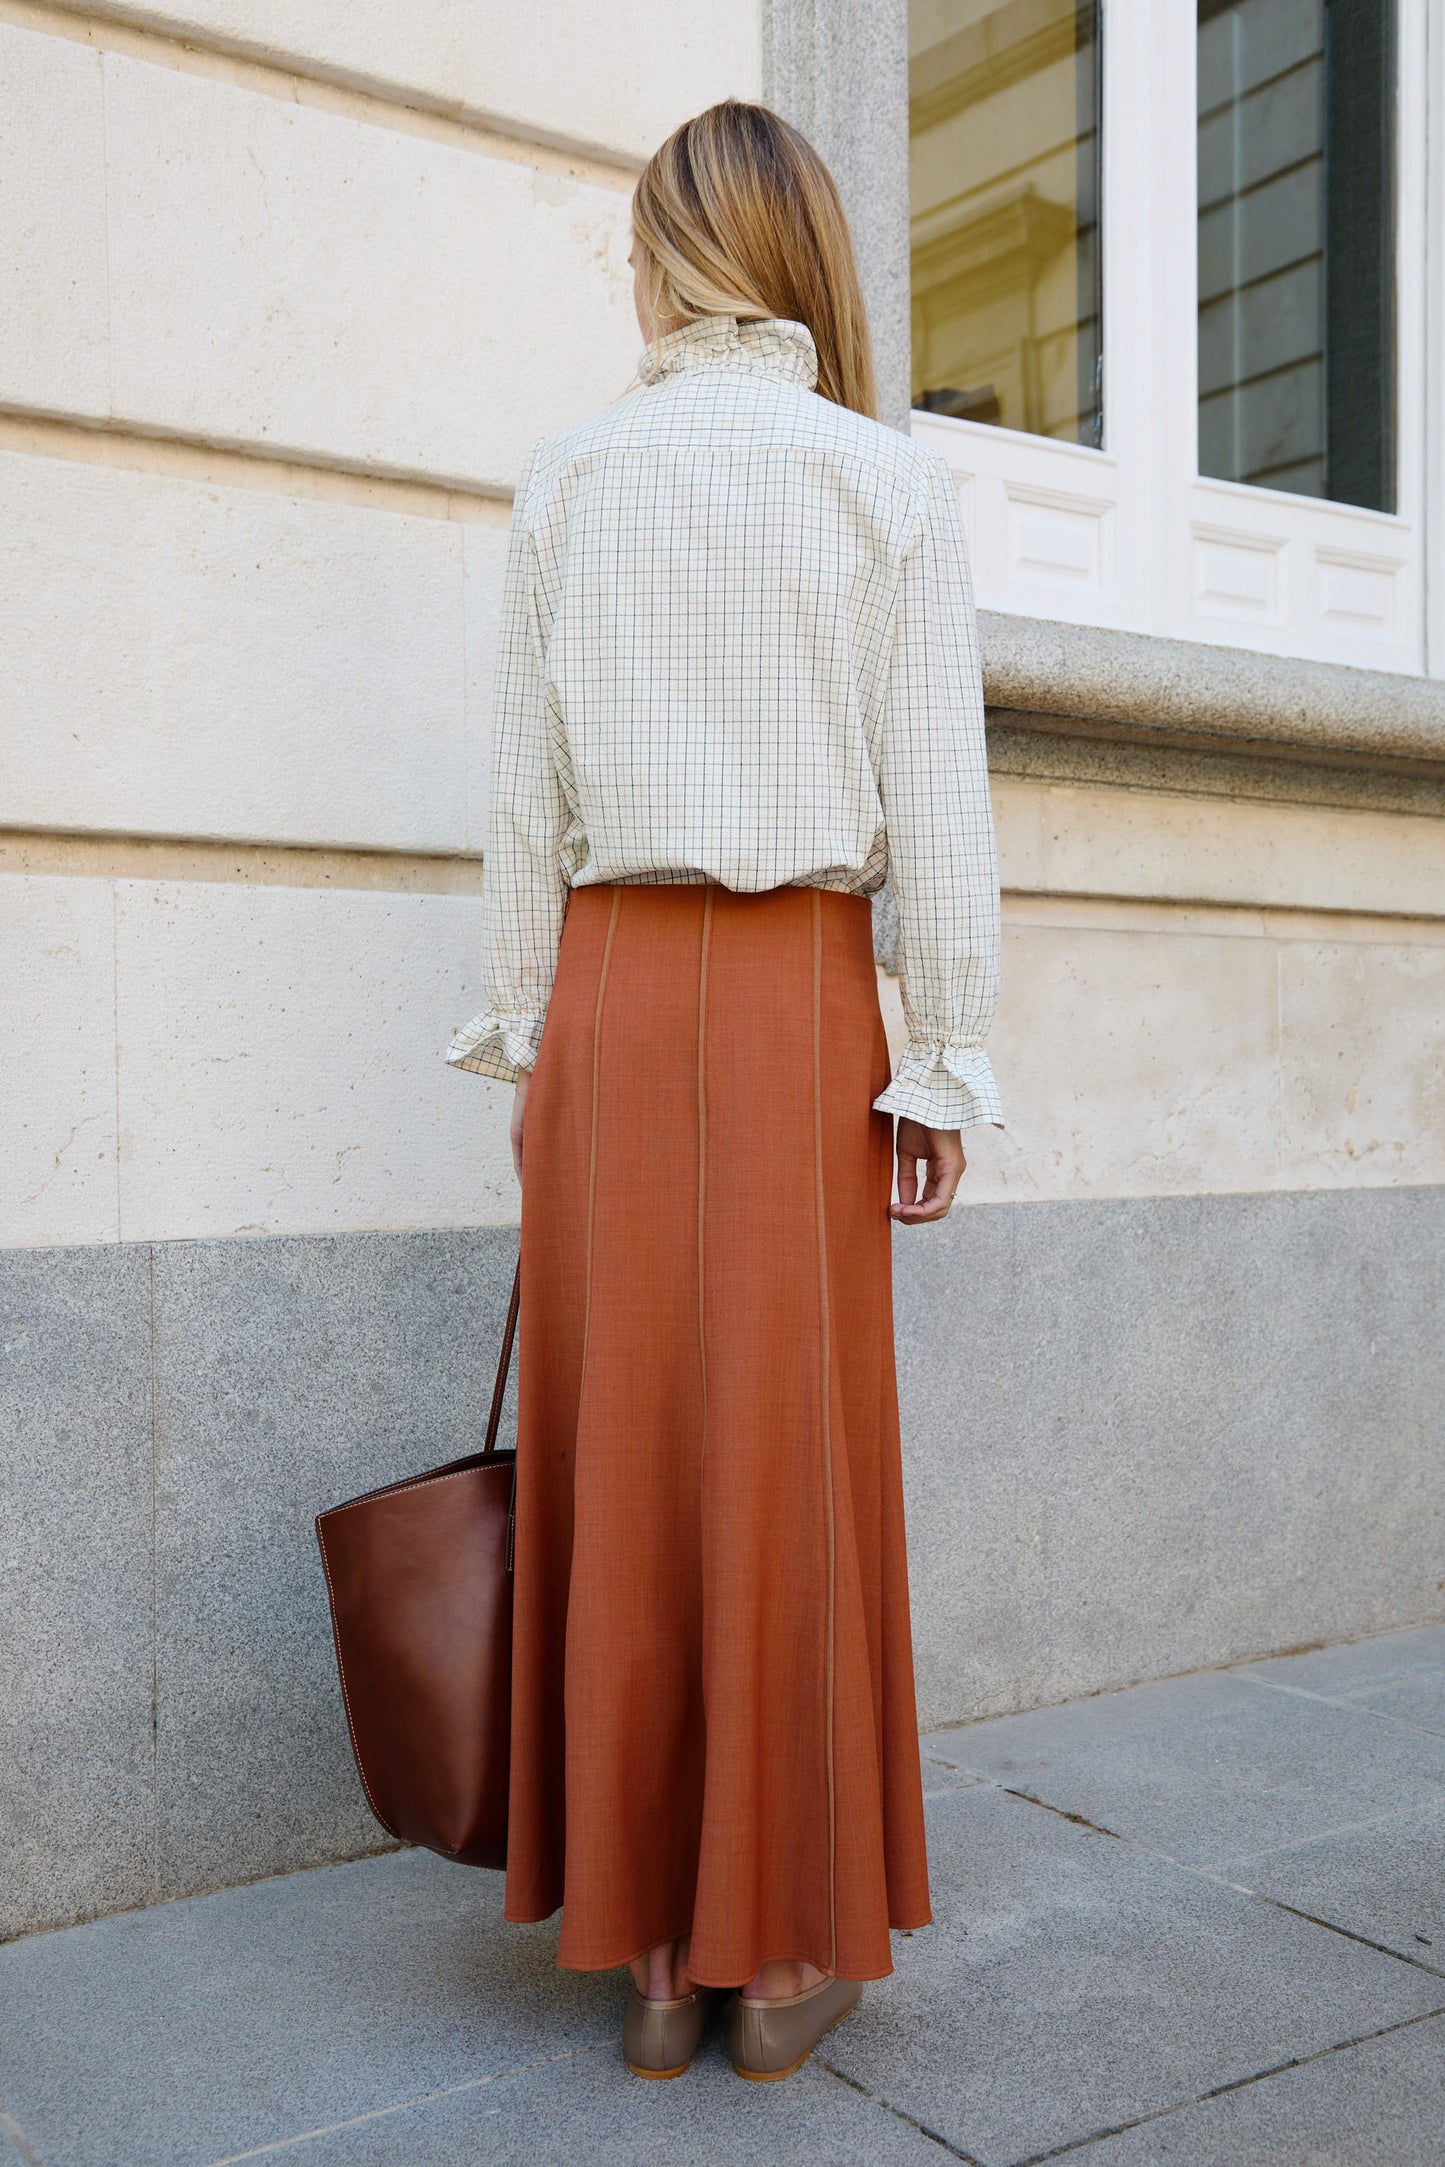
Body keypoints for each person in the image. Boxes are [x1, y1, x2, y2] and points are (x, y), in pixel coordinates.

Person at [447, 97, 1002, 2085]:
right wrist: (944, 1052)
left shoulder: (571, 476)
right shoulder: (881, 481)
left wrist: (530, 1038)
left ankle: (659, 1961)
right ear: (802, 259)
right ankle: (778, 1969)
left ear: (666, 258)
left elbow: (526, 813)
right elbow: (939, 805)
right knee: (785, 1463)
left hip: (609, 993)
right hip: (800, 1006)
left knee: (634, 1454)